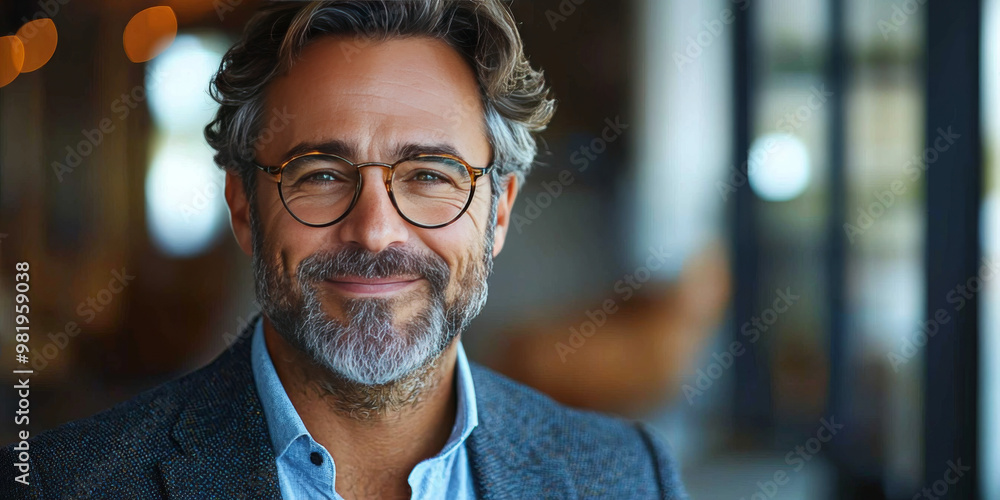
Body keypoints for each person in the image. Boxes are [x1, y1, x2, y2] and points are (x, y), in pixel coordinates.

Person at [2, 1, 687, 498]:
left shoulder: (626, 475)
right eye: (322, 175)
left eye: (428, 176)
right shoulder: (61, 485)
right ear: (244, 205)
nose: (376, 232)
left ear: (498, 211)